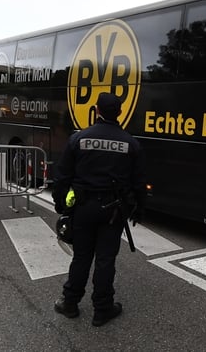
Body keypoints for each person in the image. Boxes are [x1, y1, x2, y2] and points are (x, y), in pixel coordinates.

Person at [52, 92, 146, 327]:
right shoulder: (130, 143)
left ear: (96, 110)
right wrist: (139, 208)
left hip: (83, 208)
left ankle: (70, 303)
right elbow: (139, 182)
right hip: (114, 210)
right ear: (120, 112)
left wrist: (60, 203)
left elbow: (62, 176)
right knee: (105, 260)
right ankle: (102, 309)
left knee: (81, 257)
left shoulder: (79, 139)